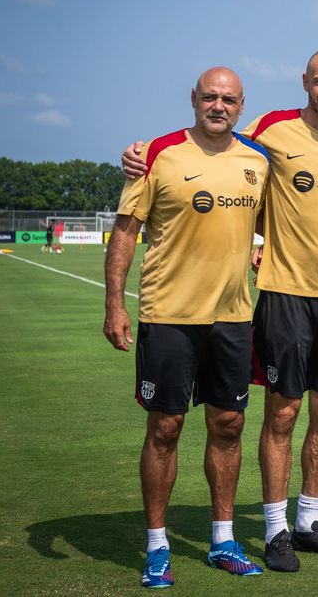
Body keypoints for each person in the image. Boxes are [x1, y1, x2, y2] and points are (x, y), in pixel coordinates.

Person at [121, 49, 318, 572]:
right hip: (278, 293)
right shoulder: (267, 132)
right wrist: (139, 153)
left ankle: (306, 522)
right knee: (277, 411)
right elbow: (213, 150)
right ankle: (267, 530)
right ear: (304, 82)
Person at [103, 67, 269, 587]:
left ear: (242, 106)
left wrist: (261, 249)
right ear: (193, 99)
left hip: (233, 317)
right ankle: (157, 546)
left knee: (229, 426)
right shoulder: (157, 155)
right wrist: (114, 303)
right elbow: (127, 232)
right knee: (165, 429)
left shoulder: (257, 160)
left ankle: (222, 539)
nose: (218, 106)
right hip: (169, 316)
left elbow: (270, 219)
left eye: (229, 99)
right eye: (209, 97)